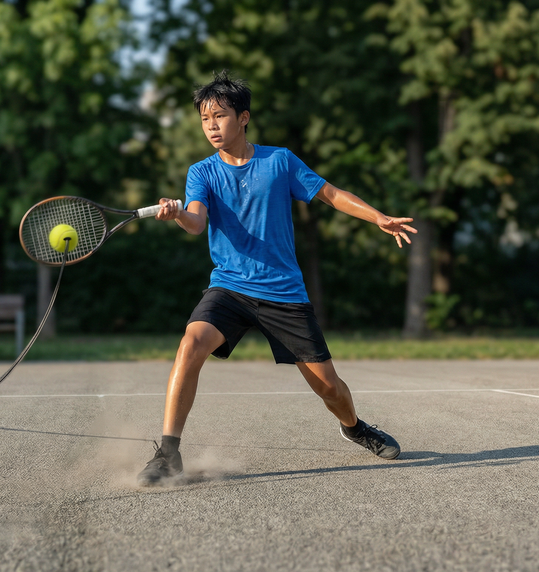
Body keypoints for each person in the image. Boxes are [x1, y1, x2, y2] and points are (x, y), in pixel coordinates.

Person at [139, 71, 417, 487]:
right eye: (204, 119)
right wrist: (178, 213)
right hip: (230, 286)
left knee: (330, 389)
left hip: (283, 292)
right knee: (190, 343)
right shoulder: (202, 172)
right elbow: (197, 222)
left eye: (220, 116)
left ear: (244, 117)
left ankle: (354, 427)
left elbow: (331, 194)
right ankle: (168, 452)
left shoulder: (280, 161)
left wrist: (378, 216)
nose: (211, 126)